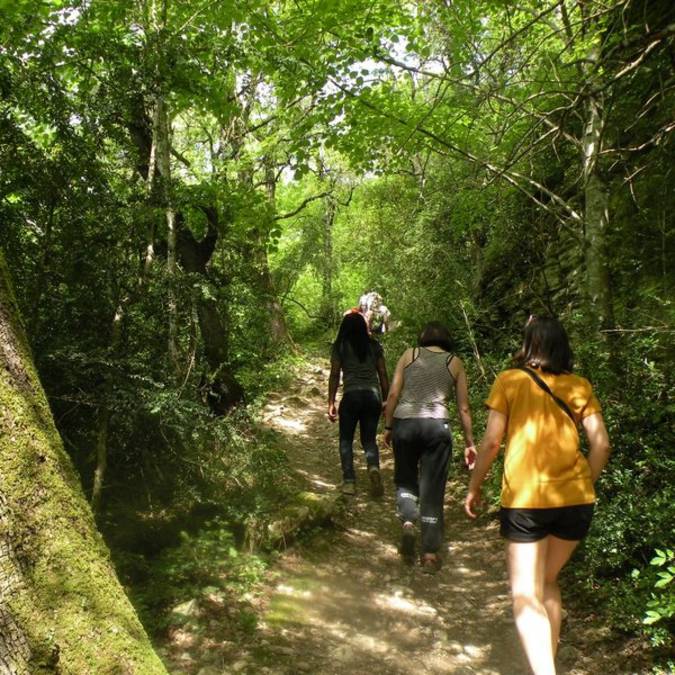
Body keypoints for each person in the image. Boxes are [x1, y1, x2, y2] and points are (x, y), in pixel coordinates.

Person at [465, 316, 611, 675]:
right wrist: (583, 485)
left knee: (525, 594)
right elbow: (602, 444)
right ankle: (546, 663)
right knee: (546, 582)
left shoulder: (510, 380)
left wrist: (474, 486)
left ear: (529, 344)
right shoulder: (579, 385)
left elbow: (492, 441)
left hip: (526, 500)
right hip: (576, 501)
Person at [383, 322, 476, 571]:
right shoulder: (454, 362)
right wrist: (470, 442)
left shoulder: (409, 355)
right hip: (437, 428)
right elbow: (464, 407)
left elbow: (393, 394)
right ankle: (430, 554)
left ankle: (408, 521)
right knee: (432, 488)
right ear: (447, 340)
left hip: (405, 423)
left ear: (422, 338)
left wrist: (389, 426)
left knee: (405, 477)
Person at [328, 312, 389, 496]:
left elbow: (334, 374)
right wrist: (386, 400)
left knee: (346, 439)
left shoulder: (340, 346)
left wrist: (331, 402)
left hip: (351, 395)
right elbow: (383, 374)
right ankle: (373, 467)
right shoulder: (374, 345)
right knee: (369, 440)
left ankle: (349, 481)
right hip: (372, 396)